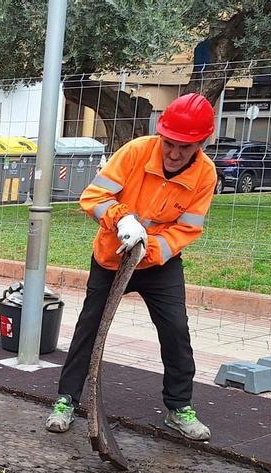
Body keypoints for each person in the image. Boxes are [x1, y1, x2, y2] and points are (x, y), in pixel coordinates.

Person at [45, 92, 218, 441]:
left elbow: (187, 229)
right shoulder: (136, 152)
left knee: (175, 331)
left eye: (184, 147)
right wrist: (122, 220)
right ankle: (66, 401)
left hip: (158, 263)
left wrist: (147, 248)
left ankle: (179, 407)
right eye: (169, 143)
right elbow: (92, 197)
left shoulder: (205, 175)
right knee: (89, 328)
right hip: (112, 255)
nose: (173, 153)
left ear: (202, 142)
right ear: (160, 134)